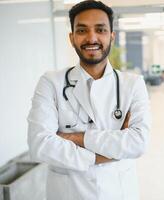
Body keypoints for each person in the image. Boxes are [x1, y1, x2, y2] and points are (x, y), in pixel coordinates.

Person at [27, 1, 151, 199]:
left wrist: (76, 138)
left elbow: (138, 143)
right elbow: (39, 145)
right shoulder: (51, 82)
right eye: (82, 30)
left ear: (111, 36)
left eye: (100, 29)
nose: (91, 37)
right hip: (69, 193)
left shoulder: (133, 84)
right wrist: (102, 155)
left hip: (118, 191)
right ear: (72, 38)